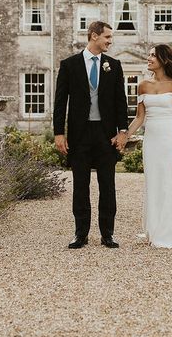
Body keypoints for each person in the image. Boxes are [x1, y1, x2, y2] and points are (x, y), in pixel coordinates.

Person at [53, 21, 129, 249]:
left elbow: (120, 102)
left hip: (106, 135)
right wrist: (59, 133)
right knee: (80, 185)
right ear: (94, 36)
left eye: (111, 38)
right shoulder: (69, 65)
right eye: (107, 37)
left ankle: (108, 234)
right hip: (80, 134)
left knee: (107, 185)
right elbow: (60, 103)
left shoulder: (113, 65)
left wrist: (122, 131)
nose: (110, 41)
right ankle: (80, 234)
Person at [126, 44, 172, 248]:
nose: (149, 58)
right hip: (152, 141)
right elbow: (139, 118)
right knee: (153, 182)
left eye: (153, 55)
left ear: (164, 60)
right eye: (149, 55)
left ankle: (171, 231)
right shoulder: (143, 86)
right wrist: (125, 135)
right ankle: (154, 229)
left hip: (170, 139)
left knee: (169, 182)